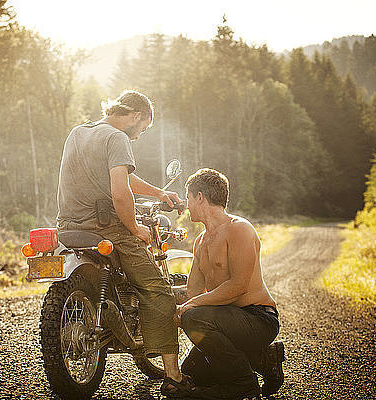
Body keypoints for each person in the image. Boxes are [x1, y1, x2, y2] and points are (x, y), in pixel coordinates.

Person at [56, 90, 195, 397]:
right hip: (108, 229)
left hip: (68, 227)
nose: (140, 135)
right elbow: (120, 193)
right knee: (157, 289)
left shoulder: (78, 132)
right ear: (135, 116)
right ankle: (173, 376)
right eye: (143, 127)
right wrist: (135, 228)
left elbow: (120, 178)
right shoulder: (117, 137)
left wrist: (159, 193)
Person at [174, 168, 285, 400]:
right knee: (192, 374)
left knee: (194, 318)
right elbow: (192, 291)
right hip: (227, 320)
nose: (187, 205)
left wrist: (191, 306)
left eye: (188, 198)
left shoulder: (239, 229)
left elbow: (238, 286)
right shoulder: (200, 242)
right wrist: (159, 296)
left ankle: (242, 383)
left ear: (200, 197)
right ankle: (264, 359)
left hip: (257, 319)